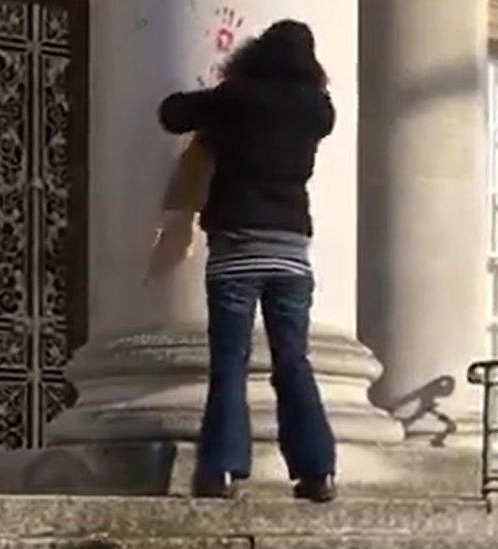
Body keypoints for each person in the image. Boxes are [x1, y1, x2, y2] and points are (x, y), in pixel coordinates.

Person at [157, 19, 337, 502]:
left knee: (230, 362)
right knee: (293, 361)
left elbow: (172, 113)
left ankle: (221, 469)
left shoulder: (239, 95)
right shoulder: (318, 110)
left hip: (237, 246)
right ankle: (317, 470)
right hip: (291, 251)